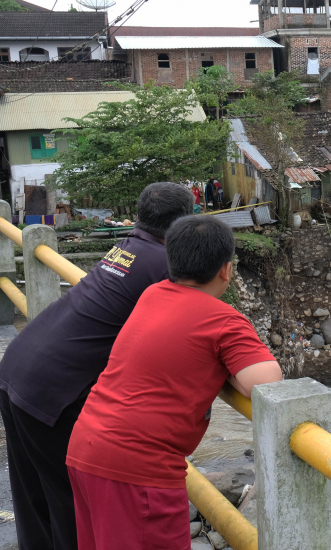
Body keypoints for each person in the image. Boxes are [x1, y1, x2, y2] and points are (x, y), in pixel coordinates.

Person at [66, 215, 282, 550]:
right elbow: (266, 381)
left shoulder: (153, 294)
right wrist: (224, 364)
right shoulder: (224, 320)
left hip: (86, 446)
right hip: (138, 471)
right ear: (226, 270)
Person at [0, 182, 194, 550]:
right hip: (53, 392)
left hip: (17, 368)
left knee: (34, 498)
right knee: (72, 502)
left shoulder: (125, 248)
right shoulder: (164, 265)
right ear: (185, 222)